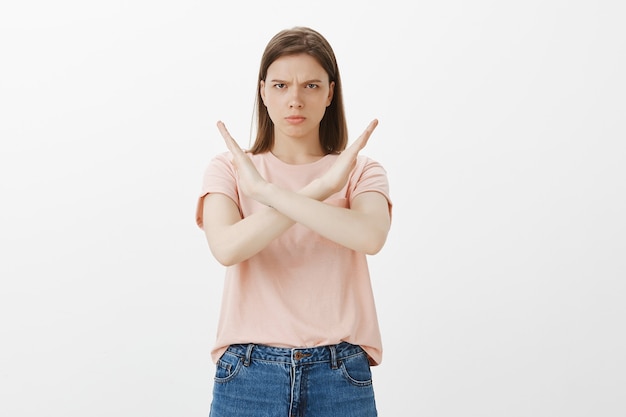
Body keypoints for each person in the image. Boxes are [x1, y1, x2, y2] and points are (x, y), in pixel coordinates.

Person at [195, 26, 392, 417]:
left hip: (340, 374)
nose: (295, 100)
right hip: (249, 374)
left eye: (312, 86)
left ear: (330, 93)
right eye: (282, 86)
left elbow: (370, 236)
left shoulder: (360, 171)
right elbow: (228, 247)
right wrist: (317, 191)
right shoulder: (229, 170)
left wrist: (268, 193)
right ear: (263, 91)